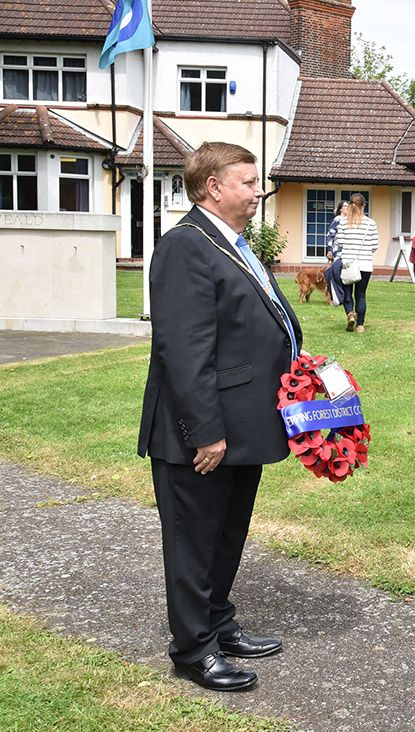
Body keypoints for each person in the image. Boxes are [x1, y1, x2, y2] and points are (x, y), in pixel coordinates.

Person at [137, 142, 302, 691]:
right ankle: (191, 648)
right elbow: (183, 353)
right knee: (194, 539)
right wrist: (205, 433)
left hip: (245, 423)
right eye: (248, 183)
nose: (258, 192)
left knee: (227, 533)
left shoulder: (231, 243)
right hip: (202, 432)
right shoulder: (185, 248)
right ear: (213, 187)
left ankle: (217, 621)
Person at [337, 192, 379, 334]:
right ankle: (360, 325)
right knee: (361, 294)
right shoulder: (370, 223)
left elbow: (340, 242)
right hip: (365, 264)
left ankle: (350, 314)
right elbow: (374, 245)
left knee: (347, 292)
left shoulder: (343, 222)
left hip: (348, 262)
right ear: (364, 206)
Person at [324, 201, 349, 301]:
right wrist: (329, 250)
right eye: (345, 206)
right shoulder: (337, 219)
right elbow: (330, 235)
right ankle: (335, 295)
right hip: (337, 251)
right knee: (336, 273)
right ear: (340, 209)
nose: (348, 208)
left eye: (349, 206)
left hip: (347, 250)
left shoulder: (348, 220)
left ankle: (341, 295)